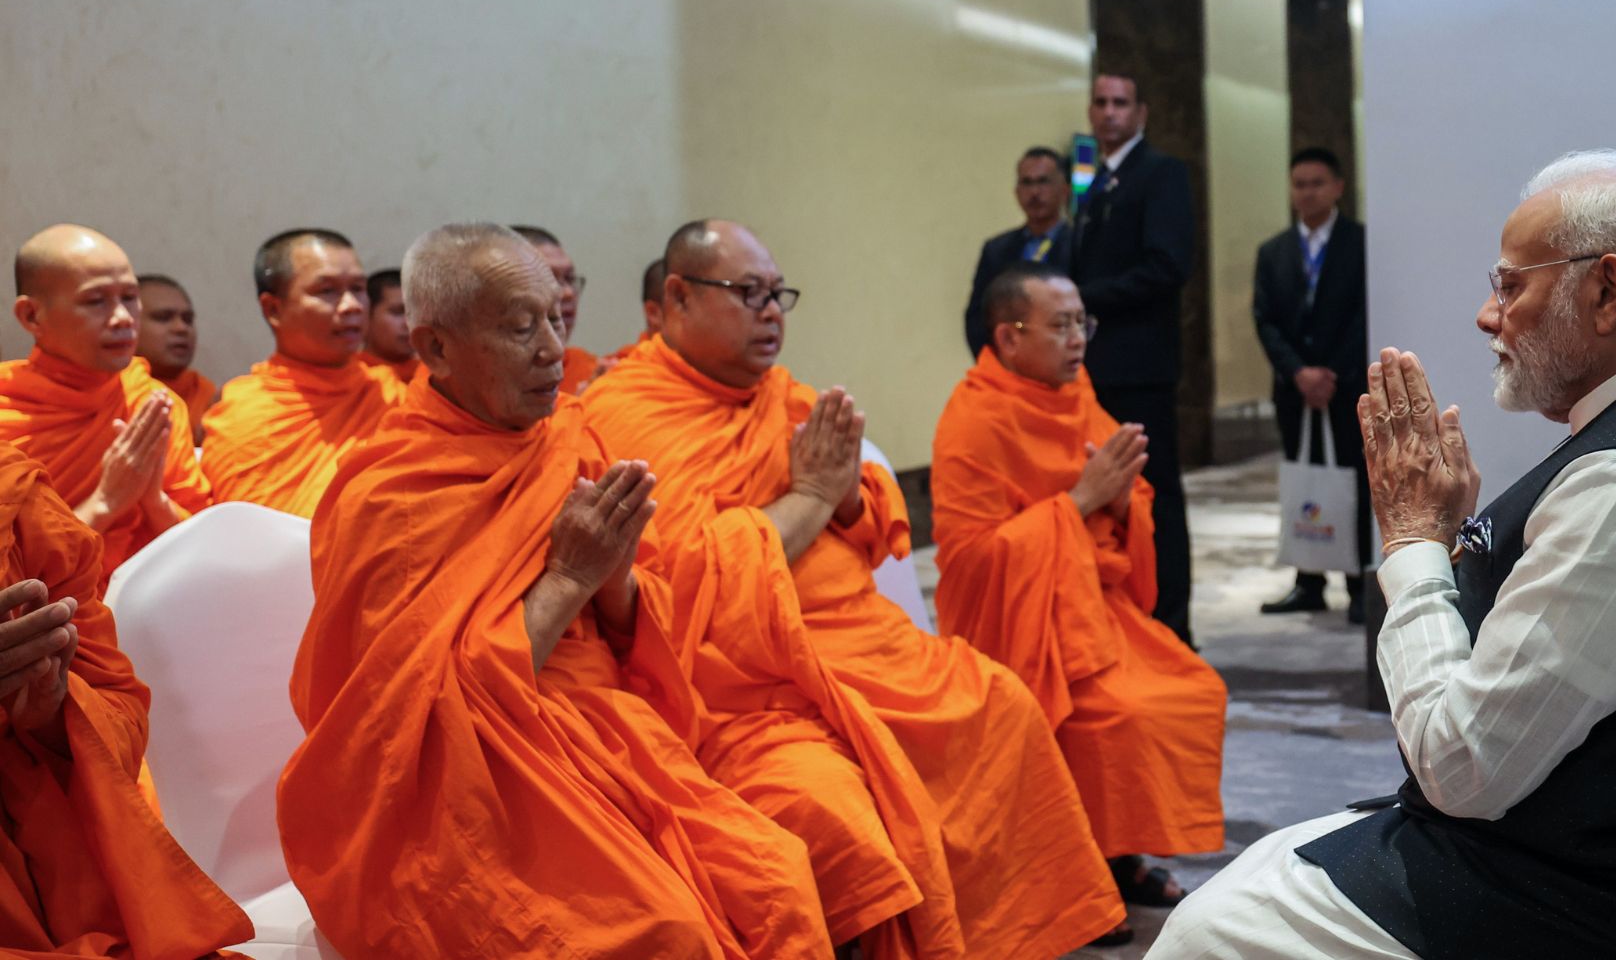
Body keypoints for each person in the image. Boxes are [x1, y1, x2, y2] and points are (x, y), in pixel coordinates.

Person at [1151, 151, 1616, 959]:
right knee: (1268, 863)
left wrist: (1414, 544)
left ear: (1606, 291)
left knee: (1209, 931)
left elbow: (1462, 770)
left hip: (1611, 901)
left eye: (1511, 285)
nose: (1487, 313)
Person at [277, 223, 831, 959]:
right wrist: (569, 578)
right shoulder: (393, 497)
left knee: (775, 881)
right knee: (665, 932)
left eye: (553, 318)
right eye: (517, 328)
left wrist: (612, 575)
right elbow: (415, 723)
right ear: (436, 348)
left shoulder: (568, 438)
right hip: (474, 792)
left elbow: (640, 626)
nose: (549, 349)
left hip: (612, 735)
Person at [583, 219, 1132, 955]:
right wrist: (812, 497)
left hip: (865, 644)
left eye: (779, 293)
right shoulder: (624, 413)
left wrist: (840, 498)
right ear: (676, 297)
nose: (771, 310)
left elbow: (876, 515)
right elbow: (680, 575)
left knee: (1001, 707)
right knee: (837, 814)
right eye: (749, 293)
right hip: (745, 688)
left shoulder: (784, 395)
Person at [933, 263, 1227, 909]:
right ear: (1009, 338)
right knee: (1112, 715)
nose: (1078, 340)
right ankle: (1074, 879)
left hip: (1092, 606)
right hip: (1017, 623)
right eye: (1060, 325)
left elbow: (1130, 499)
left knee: (1188, 691)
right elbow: (970, 562)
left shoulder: (1077, 393)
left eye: (1082, 323)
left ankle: (1117, 856)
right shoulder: (974, 421)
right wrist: (1078, 503)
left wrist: (1120, 503)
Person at [0, 440, 254, 956]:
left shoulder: (17, 498)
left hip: (53, 868)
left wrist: (52, 713)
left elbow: (119, 708)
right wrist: (104, 503)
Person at [0, 225, 210, 575]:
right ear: (32, 316)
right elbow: (13, 578)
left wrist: (154, 501)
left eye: (129, 297)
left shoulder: (152, 404)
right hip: (47, 625)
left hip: (148, 617)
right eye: (96, 301)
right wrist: (105, 502)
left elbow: (207, 549)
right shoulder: (7, 409)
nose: (123, 319)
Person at [1071, 70, 1196, 643]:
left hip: (1139, 364)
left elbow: (1167, 266)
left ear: (1140, 112)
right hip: (1093, 367)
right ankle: (1123, 613)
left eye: (1121, 102)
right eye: (1100, 103)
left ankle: (1171, 622)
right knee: (1108, 487)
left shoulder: (1160, 174)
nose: (1109, 113)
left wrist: (1082, 298)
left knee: (1157, 494)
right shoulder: (1090, 181)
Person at [200, 230, 405, 518]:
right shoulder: (244, 411)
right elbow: (242, 533)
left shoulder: (393, 395)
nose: (352, 306)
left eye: (358, 289)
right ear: (273, 309)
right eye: (327, 291)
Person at [1253, 147, 1370, 619]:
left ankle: (1360, 584)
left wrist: (1333, 375)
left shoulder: (1360, 243)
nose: (1307, 192)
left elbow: (1364, 314)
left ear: (1338, 187)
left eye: (1317, 183)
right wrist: (1297, 372)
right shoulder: (1274, 251)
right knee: (1304, 483)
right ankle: (1309, 581)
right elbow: (1265, 321)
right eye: (1299, 183)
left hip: (1345, 389)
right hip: (1294, 390)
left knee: (1353, 480)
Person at [963, 147, 1076, 356]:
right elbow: (978, 316)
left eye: (1043, 182)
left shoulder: (1081, 245)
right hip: (1008, 366)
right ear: (1016, 192)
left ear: (1065, 190)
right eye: (1027, 183)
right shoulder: (996, 250)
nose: (1035, 192)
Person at [511, 225, 599, 394]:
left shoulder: (589, 370)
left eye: (570, 278)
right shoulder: (488, 380)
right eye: (549, 278)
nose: (568, 293)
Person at [135, 273, 217, 444]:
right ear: (129, 324)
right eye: (163, 318)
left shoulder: (207, 398)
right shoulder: (112, 395)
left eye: (187, 320)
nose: (181, 328)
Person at [363, 266, 418, 381]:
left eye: (416, 314)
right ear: (365, 316)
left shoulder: (435, 378)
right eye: (397, 312)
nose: (410, 323)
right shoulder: (353, 377)